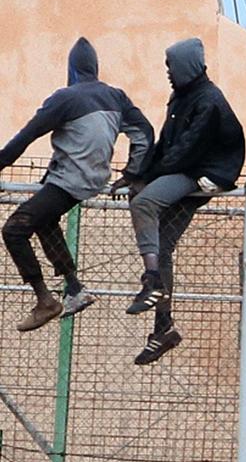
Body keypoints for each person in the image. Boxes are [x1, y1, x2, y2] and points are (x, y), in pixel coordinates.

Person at [0, 38, 153, 332]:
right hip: (95, 178)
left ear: (71, 70)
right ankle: (74, 289)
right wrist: (133, 172)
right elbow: (144, 133)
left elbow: (24, 137)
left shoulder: (65, 98)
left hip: (69, 182)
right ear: (95, 68)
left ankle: (45, 300)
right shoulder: (116, 96)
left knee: (15, 229)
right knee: (45, 222)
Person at [122, 38, 245, 365]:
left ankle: (152, 281)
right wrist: (136, 173)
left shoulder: (209, 100)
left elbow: (186, 151)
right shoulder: (182, 96)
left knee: (144, 203)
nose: (167, 72)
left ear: (185, 66)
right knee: (161, 244)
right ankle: (164, 328)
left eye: (170, 66)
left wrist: (147, 180)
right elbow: (166, 144)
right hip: (187, 167)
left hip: (205, 172)